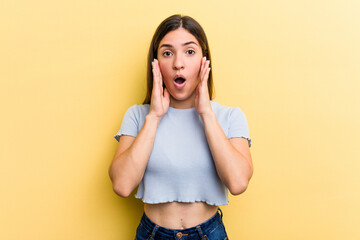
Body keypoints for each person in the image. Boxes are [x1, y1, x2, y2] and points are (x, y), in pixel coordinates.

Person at [109, 14, 253, 240]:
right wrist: (155, 116)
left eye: (190, 51)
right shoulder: (138, 116)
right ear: (155, 64)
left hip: (209, 233)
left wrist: (206, 113)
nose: (178, 63)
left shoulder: (229, 116)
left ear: (204, 61)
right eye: (167, 53)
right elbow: (122, 185)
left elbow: (237, 183)